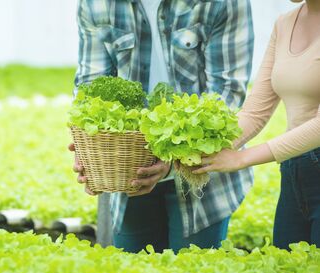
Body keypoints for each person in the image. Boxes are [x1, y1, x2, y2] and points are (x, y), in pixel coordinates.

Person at [70, 0, 254, 253]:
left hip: (203, 173)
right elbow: (90, 86)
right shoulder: (97, 4)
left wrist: (170, 154)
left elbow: (226, 94)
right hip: (129, 168)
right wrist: (87, 147)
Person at [194, 0, 320, 249]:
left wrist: (241, 158)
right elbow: (255, 112)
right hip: (295, 170)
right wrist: (204, 149)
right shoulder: (285, 23)